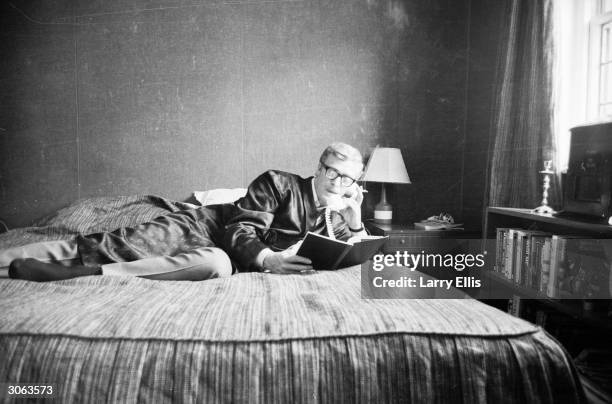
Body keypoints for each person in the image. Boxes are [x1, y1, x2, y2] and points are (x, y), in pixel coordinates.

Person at [1, 142, 367, 282]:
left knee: (215, 267)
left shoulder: (335, 216)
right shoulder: (278, 183)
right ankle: (14, 260)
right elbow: (240, 232)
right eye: (332, 171)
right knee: (109, 244)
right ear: (319, 168)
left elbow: (346, 253)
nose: (338, 182)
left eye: (347, 177)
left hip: (227, 259)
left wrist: (356, 224)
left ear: (355, 183)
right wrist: (269, 260)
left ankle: (85, 276)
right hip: (201, 228)